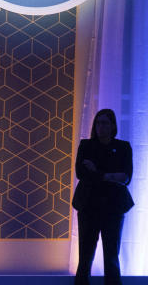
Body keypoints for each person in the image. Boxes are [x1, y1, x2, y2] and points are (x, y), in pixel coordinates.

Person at [73, 108, 134, 285]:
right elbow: (80, 173)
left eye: (105, 123)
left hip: (113, 208)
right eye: (98, 123)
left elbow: (125, 177)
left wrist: (97, 172)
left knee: (112, 257)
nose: (101, 127)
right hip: (88, 206)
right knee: (85, 256)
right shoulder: (86, 146)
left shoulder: (123, 147)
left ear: (113, 125)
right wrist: (110, 176)